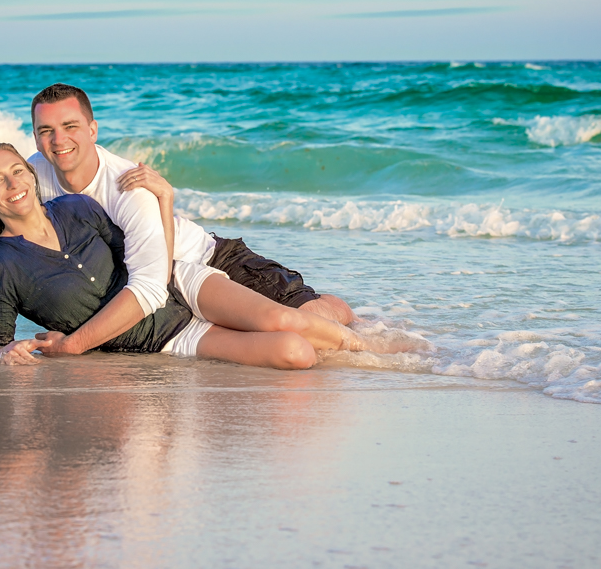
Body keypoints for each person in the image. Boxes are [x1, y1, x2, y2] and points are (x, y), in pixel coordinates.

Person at [0, 141, 365, 369]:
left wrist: (165, 198)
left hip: (182, 285)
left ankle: (375, 352)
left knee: (283, 319)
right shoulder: (1, 266)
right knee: (295, 353)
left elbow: (148, 261)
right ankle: (342, 323)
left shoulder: (76, 207)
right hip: (165, 336)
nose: (13, 183)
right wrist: (3, 353)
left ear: (31, 172)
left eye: (18, 171)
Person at [25, 83, 356, 361]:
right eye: (46, 131)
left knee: (306, 321)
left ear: (92, 129)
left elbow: (152, 284)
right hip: (170, 285)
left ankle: (360, 320)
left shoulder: (126, 186)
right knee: (278, 341)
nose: (58, 140)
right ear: (36, 137)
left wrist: (75, 344)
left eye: (70, 127)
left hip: (208, 258)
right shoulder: (32, 176)